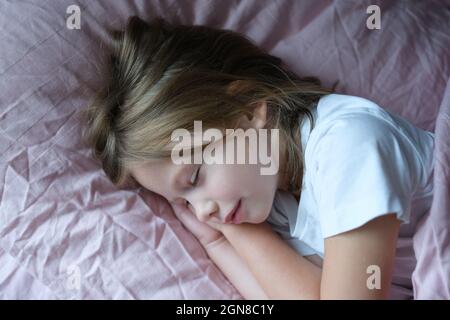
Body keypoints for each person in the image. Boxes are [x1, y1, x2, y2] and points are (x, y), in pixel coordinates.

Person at [82, 16, 434, 299]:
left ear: (249, 109)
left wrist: (239, 236)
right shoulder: (276, 199)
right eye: (184, 202)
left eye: (195, 177)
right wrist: (219, 239)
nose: (203, 211)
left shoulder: (349, 146)